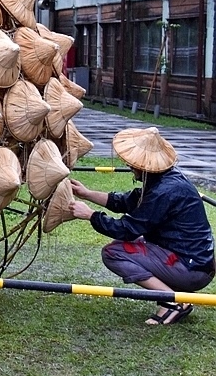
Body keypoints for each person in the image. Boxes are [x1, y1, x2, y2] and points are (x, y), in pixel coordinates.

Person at [69, 126, 215, 325]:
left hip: (191, 269)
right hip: (195, 262)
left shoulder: (163, 191)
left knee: (114, 252)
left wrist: (90, 215)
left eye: (132, 163)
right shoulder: (165, 180)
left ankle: (174, 302)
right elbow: (125, 202)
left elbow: (126, 229)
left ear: (143, 165)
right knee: (133, 242)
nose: (129, 166)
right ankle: (175, 296)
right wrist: (86, 193)